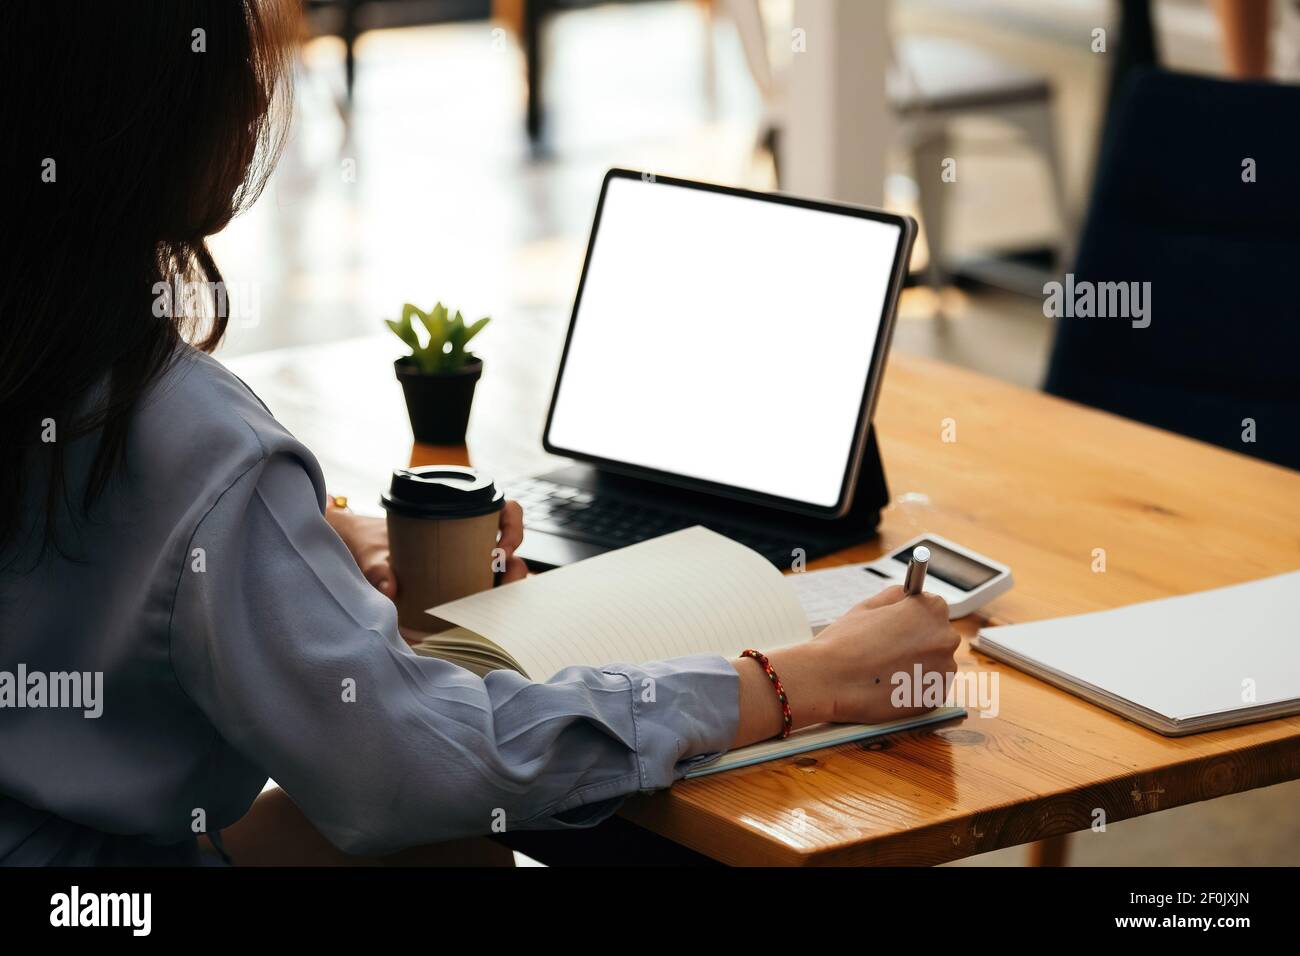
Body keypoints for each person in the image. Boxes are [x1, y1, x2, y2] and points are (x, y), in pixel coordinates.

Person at [0, 0, 959, 866]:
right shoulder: (190, 437)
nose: (258, 105)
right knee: (449, 838)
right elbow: (414, 761)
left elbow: (116, 552)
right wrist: (799, 681)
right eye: (237, 74)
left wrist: (315, 539)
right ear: (152, 126)